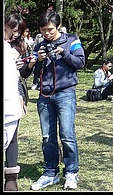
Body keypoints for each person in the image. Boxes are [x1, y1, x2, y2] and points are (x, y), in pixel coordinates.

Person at [29, 10, 85, 190]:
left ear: (58, 26)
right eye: (43, 30)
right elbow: (35, 74)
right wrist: (38, 60)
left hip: (66, 93)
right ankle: (49, 172)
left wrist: (64, 54)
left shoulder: (72, 40)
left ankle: (71, 172)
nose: (47, 33)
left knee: (67, 135)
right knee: (47, 137)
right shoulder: (40, 46)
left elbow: (81, 62)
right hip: (44, 95)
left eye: (50, 30)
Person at [4, 14, 26, 191]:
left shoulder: (17, 47)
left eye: (18, 32)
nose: (14, 34)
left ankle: (11, 178)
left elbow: (24, 73)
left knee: (12, 136)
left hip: (12, 95)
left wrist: (23, 64)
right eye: (12, 30)